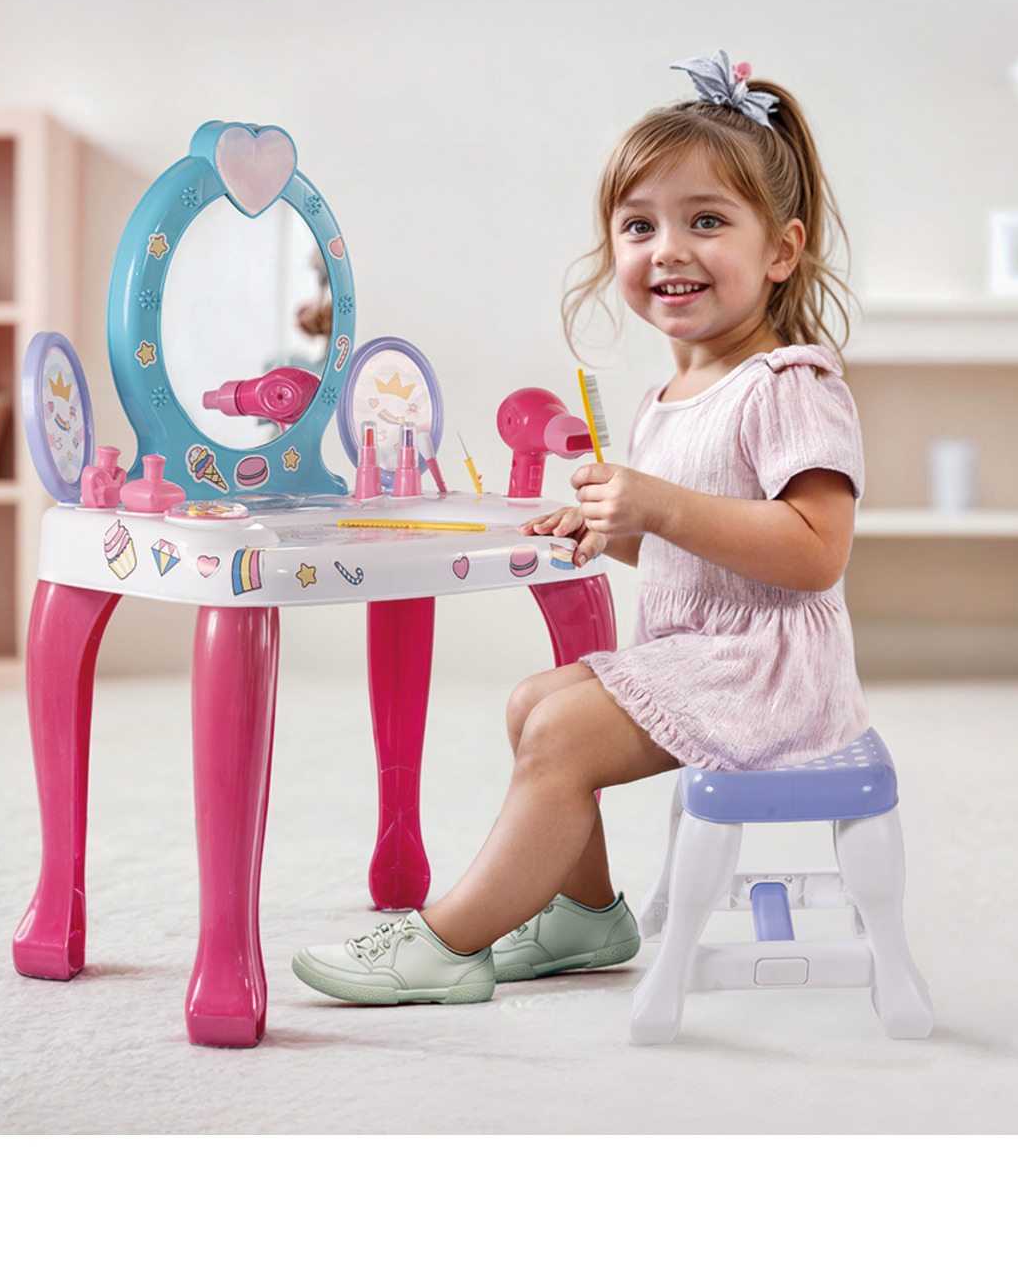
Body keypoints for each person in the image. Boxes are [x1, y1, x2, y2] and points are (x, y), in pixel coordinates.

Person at [291, 50, 867, 1007]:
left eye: (706, 221)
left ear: (781, 249)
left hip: (772, 674)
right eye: (639, 225)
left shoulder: (790, 386)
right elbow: (700, 548)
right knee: (532, 703)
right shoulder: (669, 395)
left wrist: (659, 504)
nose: (666, 249)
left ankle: (447, 942)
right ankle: (586, 915)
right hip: (707, 650)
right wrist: (614, 525)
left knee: (560, 730)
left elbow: (815, 552)